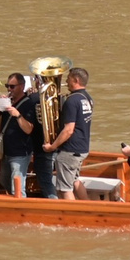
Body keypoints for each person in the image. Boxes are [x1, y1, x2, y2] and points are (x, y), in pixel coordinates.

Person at [46, 67, 95, 198]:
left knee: (64, 189)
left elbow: (68, 130)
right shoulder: (87, 98)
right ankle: (87, 207)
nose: (66, 81)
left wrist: (52, 147)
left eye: (68, 78)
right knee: (75, 181)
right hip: (82, 148)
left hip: (70, 151)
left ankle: (71, 211)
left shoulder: (72, 101)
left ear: (76, 80)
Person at [0, 73, 43, 196]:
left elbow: (29, 129)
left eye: (12, 87)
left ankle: (21, 205)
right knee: (4, 181)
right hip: (6, 152)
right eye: (7, 86)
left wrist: (17, 115)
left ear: (22, 86)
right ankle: (13, 203)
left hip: (20, 153)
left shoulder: (29, 104)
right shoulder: (7, 102)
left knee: (17, 188)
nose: (9, 89)